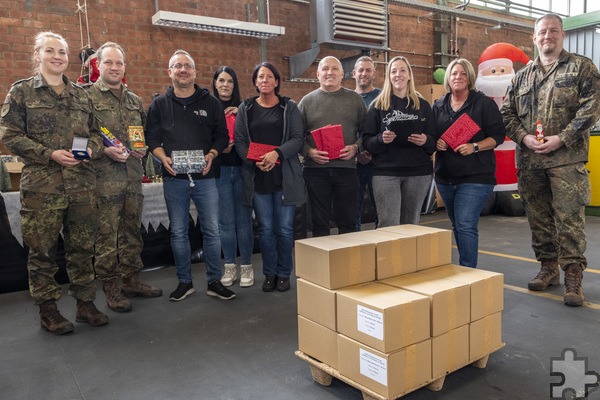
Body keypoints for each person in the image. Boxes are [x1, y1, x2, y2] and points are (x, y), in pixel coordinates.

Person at [0, 31, 108, 334]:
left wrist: (91, 149)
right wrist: (49, 154)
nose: (57, 56)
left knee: (83, 248)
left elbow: (97, 135)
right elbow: (9, 135)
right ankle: (48, 310)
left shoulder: (81, 95)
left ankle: (85, 304)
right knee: (42, 252)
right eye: (50, 51)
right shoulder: (21, 92)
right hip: (42, 188)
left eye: (62, 51)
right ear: (38, 55)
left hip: (82, 186)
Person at [501, 13, 600, 307]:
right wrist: (524, 137)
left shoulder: (582, 68)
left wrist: (562, 138)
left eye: (554, 31)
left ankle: (573, 276)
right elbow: (508, 114)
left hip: (566, 160)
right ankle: (548, 268)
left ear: (562, 35)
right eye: (542, 32)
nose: (548, 36)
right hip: (530, 162)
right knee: (539, 219)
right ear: (534, 38)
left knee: (569, 220)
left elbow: (592, 108)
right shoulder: (520, 78)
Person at [145, 50, 235, 302]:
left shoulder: (211, 104)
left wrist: (213, 154)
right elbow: (151, 137)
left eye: (188, 66)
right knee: (178, 232)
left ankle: (214, 281)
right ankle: (184, 282)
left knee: (212, 231)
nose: (183, 70)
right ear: (169, 72)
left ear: (195, 72)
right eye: (177, 66)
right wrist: (162, 157)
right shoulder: (159, 105)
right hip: (174, 180)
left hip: (206, 178)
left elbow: (221, 136)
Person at [88, 42, 163, 313]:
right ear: (98, 65)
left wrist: (141, 147)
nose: (114, 67)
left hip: (132, 176)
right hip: (103, 177)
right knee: (107, 235)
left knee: (132, 230)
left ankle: (131, 279)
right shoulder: (87, 97)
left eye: (119, 63)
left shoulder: (133, 99)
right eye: (108, 62)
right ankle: (111, 287)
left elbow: (138, 131)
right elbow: (81, 135)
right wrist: (103, 149)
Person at [235, 62, 305, 292]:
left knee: (284, 229)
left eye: (269, 77)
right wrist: (257, 160)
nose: (264, 80)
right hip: (258, 178)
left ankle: (284, 273)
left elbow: (297, 138)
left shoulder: (289, 107)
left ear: (276, 81)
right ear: (255, 82)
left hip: (284, 177)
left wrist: (276, 154)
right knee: (265, 230)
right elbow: (241, 142)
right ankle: (270, 273)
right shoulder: (245, 109)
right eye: (260, 77)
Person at [432, 58, 506, 268]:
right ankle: (465, 269)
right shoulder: (438, 105)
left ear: (470, 78)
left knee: (465, 224)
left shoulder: (483, 104)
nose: (458, 77)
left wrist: (474, 146)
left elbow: (498, 135)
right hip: (445, 178)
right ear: (448, 78)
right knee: (458, 225)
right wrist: (436, 142)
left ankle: (467, 271)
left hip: (476, 177)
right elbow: (431, 135)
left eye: (463, 74)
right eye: (454, 73)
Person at [363, 56, 436, 227]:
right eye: (393, 71)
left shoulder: (423, 106)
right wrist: (381, 139)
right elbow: (367, 142)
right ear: (388, 76)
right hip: (385, 173)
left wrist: (425, 140)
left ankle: (408, 256)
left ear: (409, 75)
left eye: (403, 70)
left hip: (418, 173)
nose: (398, 75)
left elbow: (434, 142)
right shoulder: (377, 106)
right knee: (389, 224)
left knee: (411, 224)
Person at [299, 56, 367, 236]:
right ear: (318, 74)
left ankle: (346, 263)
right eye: (326, 68)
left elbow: (367, 131)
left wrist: (356, 147)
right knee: (319, 223)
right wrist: (309, 152)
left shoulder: (355, 100)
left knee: (347, 222)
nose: (330, 72)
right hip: (315, 170)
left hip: (346, 169)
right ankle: (323, 263)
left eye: (335, 68)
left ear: (342, 74)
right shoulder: (306, 102)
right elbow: (295, 136)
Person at [211, 66, 255, 288]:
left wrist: (242, 119)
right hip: (219, 172)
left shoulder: (246, 108)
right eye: (221, 80)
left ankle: (247, 266)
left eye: (229, 81)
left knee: (244, 222)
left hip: (243, 170)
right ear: (215, 83)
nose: (225, 85)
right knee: (225, 223)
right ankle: (229, 266)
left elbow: (254, 136)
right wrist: (219, 147)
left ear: (235, 84)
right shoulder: (209, 108)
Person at [353, 56, 381, 230]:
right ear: (354, 73)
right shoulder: (346, 98)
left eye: (368, 70)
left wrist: (371, 152)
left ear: (374, 74)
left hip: (377, 162)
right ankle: (354, 245)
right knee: (352, 208)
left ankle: (382, 248)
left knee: (381, 208)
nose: (364, 73)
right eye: (361, 70)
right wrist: (357, 153)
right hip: (353, 162)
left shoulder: (382, 96)